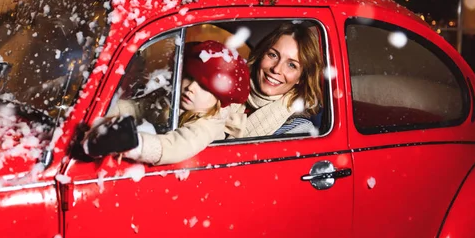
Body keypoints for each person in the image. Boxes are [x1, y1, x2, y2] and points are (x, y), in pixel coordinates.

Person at [83, 40, 249, 165]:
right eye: (190, 77)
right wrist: (100, 113)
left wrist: (134, 145)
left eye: (205, 87)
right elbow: (138, 108)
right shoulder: (173, 98)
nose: (191, 87)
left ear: (219, 100)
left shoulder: (210, 123)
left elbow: (179, 145)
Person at [233, 22, 324, 138]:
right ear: (261, 55)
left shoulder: (300, 129)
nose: (276, 69)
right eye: (273, 55)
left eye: (291, 65)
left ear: (301, 78)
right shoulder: (223, 90)